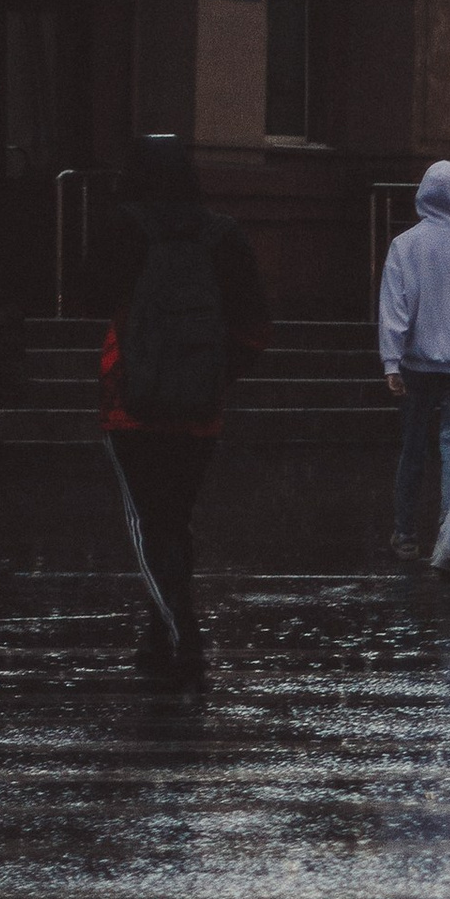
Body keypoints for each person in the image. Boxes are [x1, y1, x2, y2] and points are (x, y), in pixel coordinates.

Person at [84, 135, 273, 691]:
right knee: (175, 518)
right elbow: (257, 329)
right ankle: (158, 631)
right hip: (200, 409)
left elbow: (90, 297)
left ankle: (182, 632)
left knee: (149, 522)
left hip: (130, 403)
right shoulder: (225, 236)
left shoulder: (122, 227)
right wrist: (215, 372)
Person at [380, 159, 450, 558]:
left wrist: (391, 362)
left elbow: (395, 306)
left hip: (416, 364)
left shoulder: (405, 244)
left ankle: (405, 532)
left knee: (412, 448)